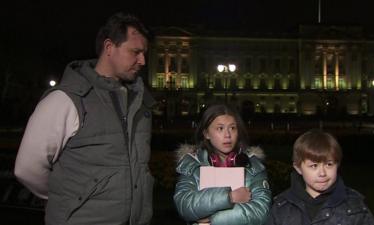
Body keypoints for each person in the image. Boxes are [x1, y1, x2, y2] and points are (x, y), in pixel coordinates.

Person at [14, 12, 156, 225]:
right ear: (109, 47)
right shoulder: (66, 99)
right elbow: (27, 168)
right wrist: (66, 198)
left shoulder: (140, 101)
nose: (143, 61)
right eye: (135, 52)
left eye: (144, 53)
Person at [174, 103, 271, 225]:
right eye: (220, 128)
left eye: (232, 128)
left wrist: (212, 219)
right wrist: (230, 197)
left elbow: (261, 212)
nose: (227, 135)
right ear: (206, 134)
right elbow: (185, 206)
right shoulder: (192, 165)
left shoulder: (253, 166)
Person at [267, 129, 374, 225]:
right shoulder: (281, 207)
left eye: (329, 164)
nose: (322, 173)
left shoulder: (355, 206)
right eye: (314, 166)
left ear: (337, 164)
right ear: (298, 168)